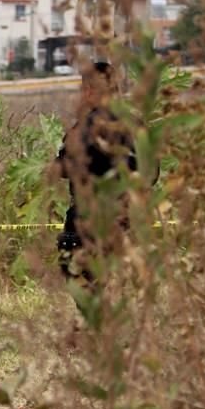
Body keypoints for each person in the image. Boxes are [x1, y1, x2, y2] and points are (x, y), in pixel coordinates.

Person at [55, 60, 142, 285]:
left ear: (89, 90)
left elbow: (63, 167)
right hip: (130, 218)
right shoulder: (135, 123)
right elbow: (152, 172)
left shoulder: (87, 127)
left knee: (87, 290)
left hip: (90, 220)